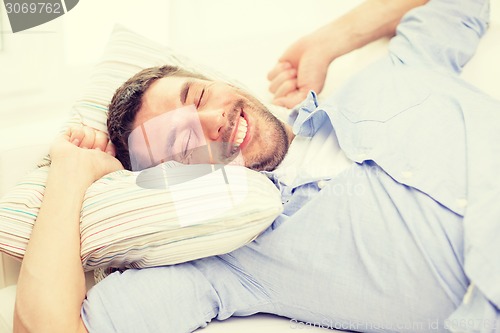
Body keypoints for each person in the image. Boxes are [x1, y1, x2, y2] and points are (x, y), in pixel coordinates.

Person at [13, 0, 500, 332]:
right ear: (173, 181)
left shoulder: (388, 77)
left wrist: (331, 39)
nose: (213, 122)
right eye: (183, 142)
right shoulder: (233, 263)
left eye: (198, 95)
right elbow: (47, 326)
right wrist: (70, 170)